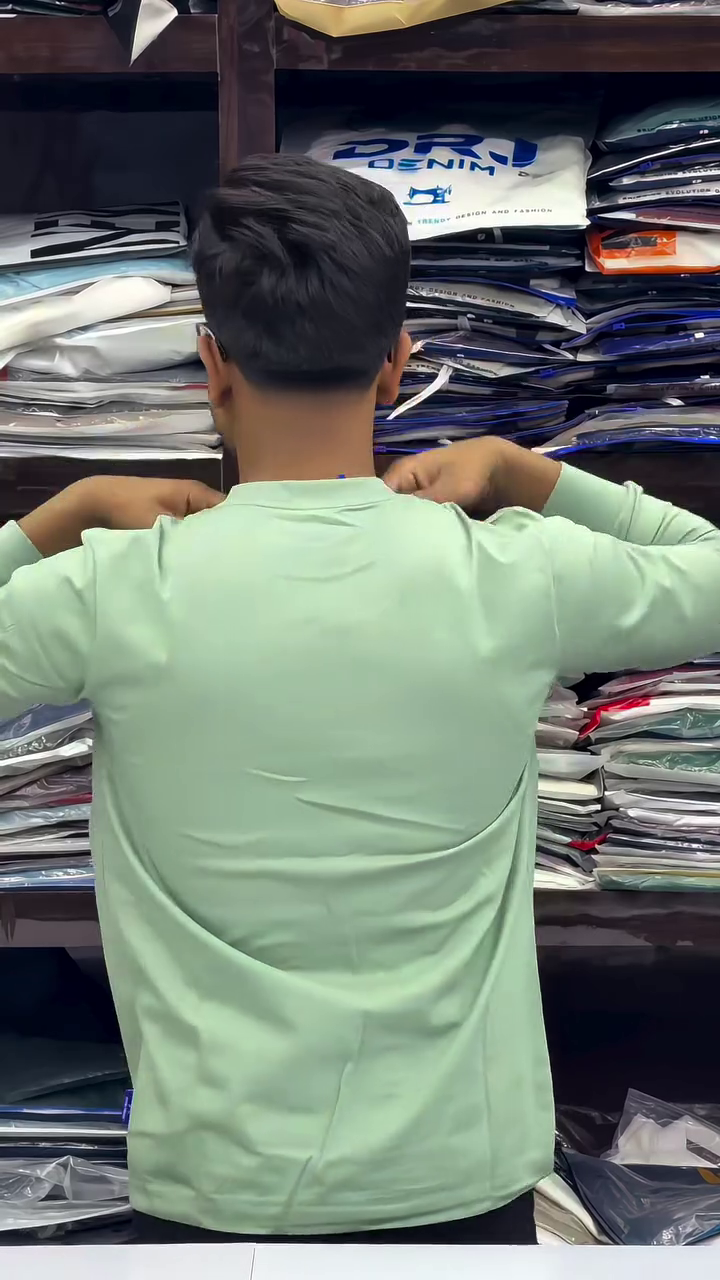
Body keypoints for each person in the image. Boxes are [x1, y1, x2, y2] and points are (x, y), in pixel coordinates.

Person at [1, 155, 720, 1247]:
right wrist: (529, 471)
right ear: (397, 364)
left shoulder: (115, 587)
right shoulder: (510, 569)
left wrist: (63, 516)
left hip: (217, 1187)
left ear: (212, 366)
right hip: (462, 1179)